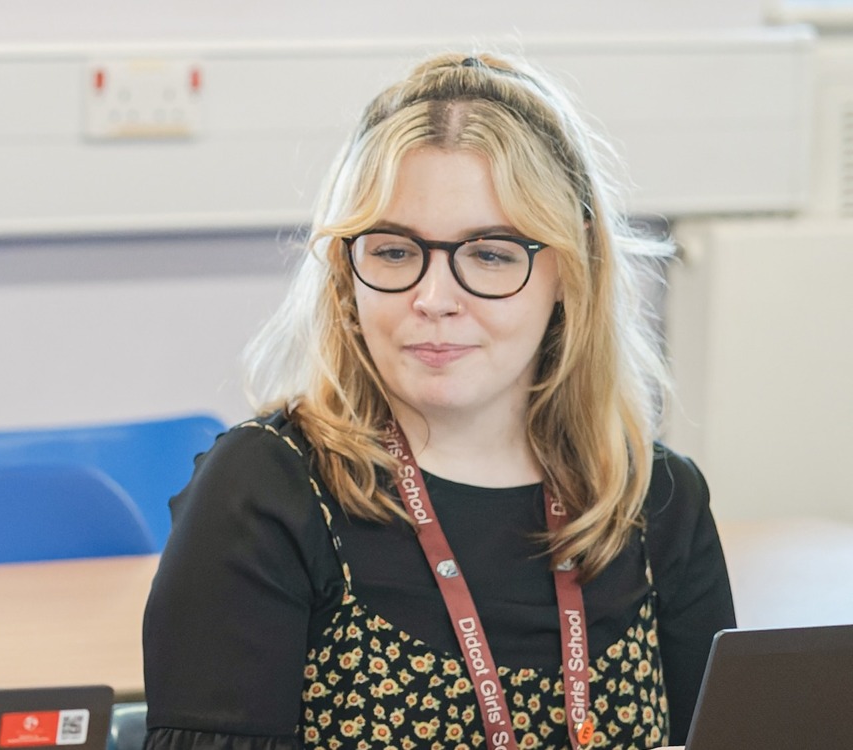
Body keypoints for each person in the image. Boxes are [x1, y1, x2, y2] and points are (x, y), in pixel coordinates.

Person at [142, 53, 733, 750]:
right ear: (345, 277)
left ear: (571, 275)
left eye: (489, 254)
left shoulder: (653, 500)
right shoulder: (267, 490)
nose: (434, 300)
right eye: (394, 252)